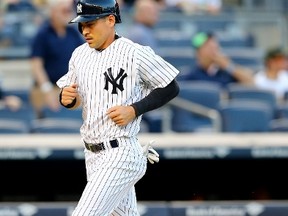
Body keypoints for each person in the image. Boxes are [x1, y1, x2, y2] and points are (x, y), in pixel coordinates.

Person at [56, 0, 180, 215]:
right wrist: (67, 98)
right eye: (82, 25)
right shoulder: (79, 54)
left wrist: (134, 109)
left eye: (90, 24)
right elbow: (75, 100)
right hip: (92, 154)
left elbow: (170, 87)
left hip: (121, 152)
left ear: (110, 20)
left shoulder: (134, 53)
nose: (85, 30)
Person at [29, 0, 84, 118]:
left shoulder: (73, 33)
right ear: (53, 12)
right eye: (64, 11)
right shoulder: (43, 34)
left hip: (69, 88)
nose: (68, 14)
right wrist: (47, 90)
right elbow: (36, 65)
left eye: (69, 11)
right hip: (47, 88)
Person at [182, 31, 254, 89]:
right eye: (208, 47)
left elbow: (250, 82)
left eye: (215, 48)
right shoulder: (192, 75)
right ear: (198, 53)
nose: (213, 51)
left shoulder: (226, 73)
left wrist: (228, 65)